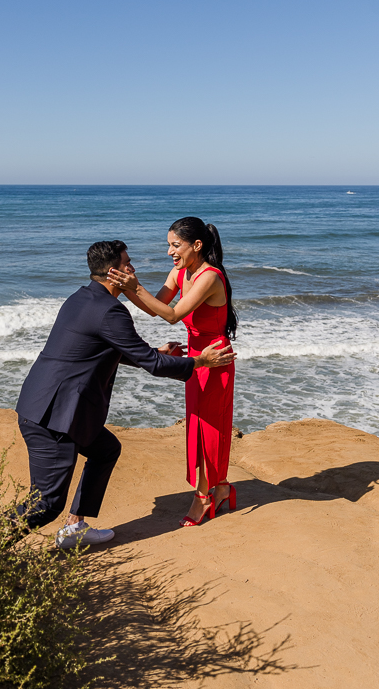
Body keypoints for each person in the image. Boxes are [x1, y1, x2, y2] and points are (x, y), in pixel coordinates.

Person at [15, 239, 236, 548]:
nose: (133, 268)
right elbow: (154, 365)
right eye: (128, 263)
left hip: (55, 405)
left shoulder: (80, 298)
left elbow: (108, 349)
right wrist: (200, 361)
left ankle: (75, 526)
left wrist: (155, 351)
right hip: (53, 417)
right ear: (113, 273)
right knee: (45, 504)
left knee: (106, 449)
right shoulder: (111, 312)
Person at [108, 217, 238, 527]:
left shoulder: (209, 276)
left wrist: (135, 285)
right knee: (196, 423)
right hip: (196, 356)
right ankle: (219, 488)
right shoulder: (181, 272)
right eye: (169, 245)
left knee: (210, 427)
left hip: (214, 356)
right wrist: (127, 289)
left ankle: (203, 497)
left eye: (175, 245)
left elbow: (173, 315)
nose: (170, 252)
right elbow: (155, 307)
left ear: (197, 245)